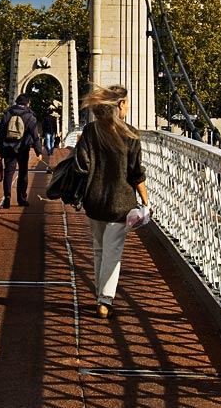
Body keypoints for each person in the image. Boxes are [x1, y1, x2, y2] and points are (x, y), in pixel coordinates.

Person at [74, 84, 149, 319]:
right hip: (120, 203)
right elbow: (136, 173)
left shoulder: (90, 131)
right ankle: (105, 300)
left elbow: (82, 166)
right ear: (119, 105)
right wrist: (146, 202)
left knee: (99, 248)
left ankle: (100, 294)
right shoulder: (131, 134)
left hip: (94, 200)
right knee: (112, 252)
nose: (128, 107)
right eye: (126, 103)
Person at [0, 93, 43, 209]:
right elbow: (35, 135)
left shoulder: (7, 113)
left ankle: (7, 196)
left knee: (9, 172)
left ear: (16, 102)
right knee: (23, 173)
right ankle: (22, 199)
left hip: (8, 148)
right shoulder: (30, 116)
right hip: (23, 149)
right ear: (28, 103)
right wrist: (39, 152)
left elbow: (0, 133)